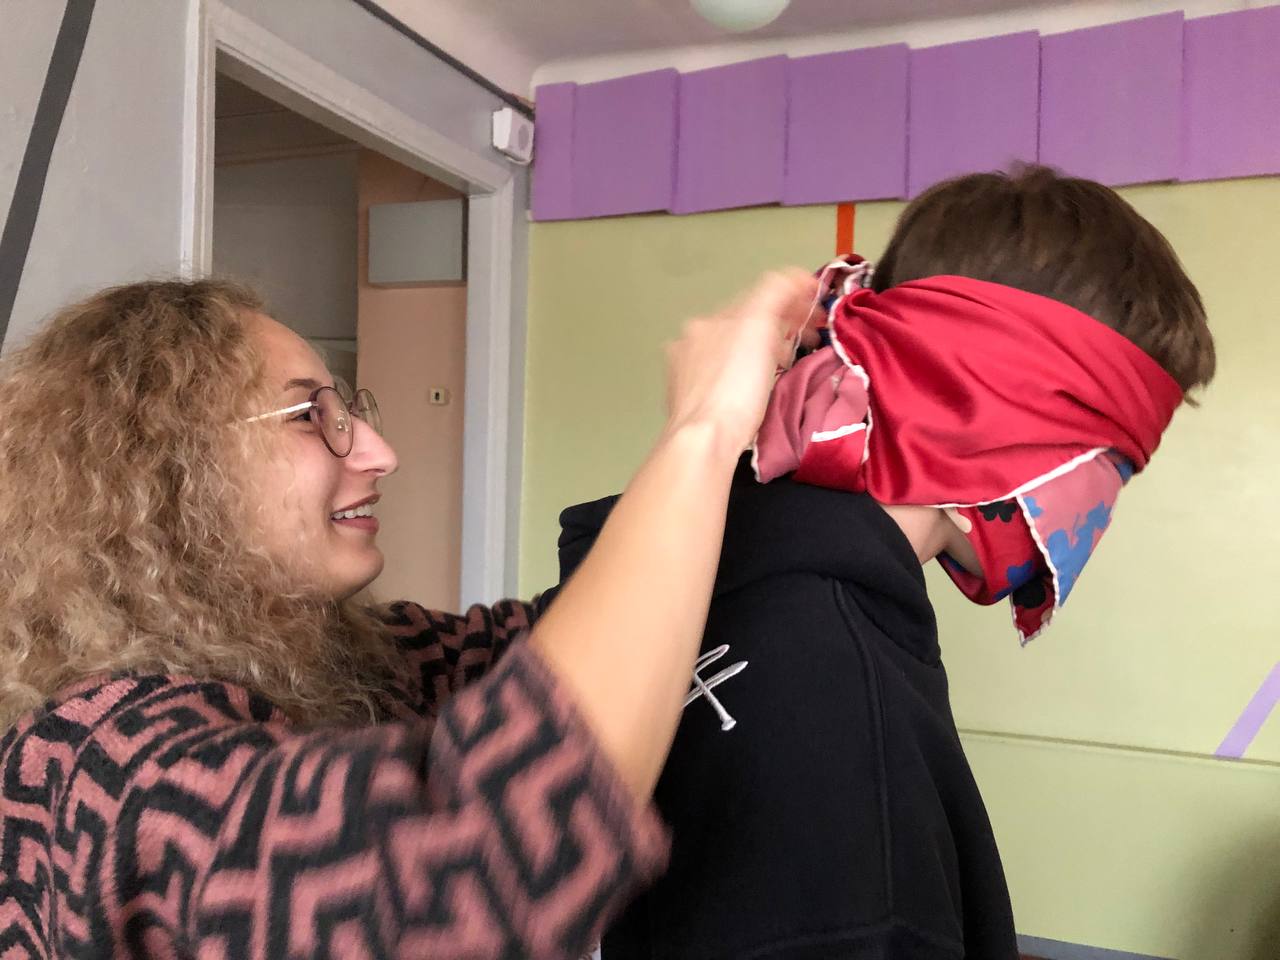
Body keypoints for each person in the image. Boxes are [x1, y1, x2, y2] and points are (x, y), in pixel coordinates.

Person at [0, 269, 817, 960]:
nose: (378, 452)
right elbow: (465, 866)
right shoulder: (92, 759)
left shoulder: (344, 652)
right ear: (171, 473)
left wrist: (760, 447)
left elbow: (549, 643)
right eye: (311, 417)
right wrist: (701, 430)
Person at [552, 165, 1216, 959]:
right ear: (991, 422)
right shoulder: (847, 703)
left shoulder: (670, 586)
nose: (1106, 509)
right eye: (1113, 468)